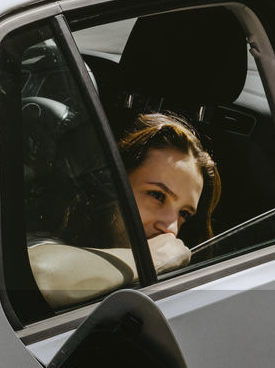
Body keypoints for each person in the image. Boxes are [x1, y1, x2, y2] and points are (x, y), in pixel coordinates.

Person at [28, 112, 220, 309]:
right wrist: (151, 258)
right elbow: (35, 278)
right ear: (111, 188)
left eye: (184, 214)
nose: (171, 229)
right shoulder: (49, 239)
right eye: (157, 196)